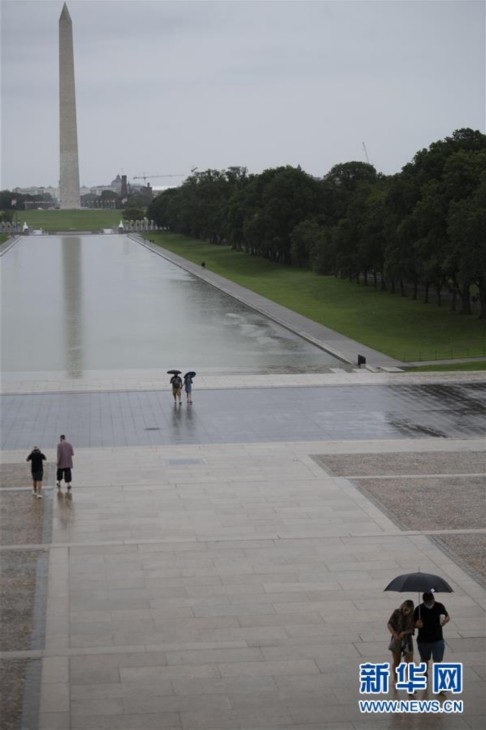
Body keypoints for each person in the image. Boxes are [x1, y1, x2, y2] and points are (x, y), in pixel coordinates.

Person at [413, 592, 450, 671]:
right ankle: (424, 675)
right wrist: (417, 624)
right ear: (424, 600)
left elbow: (447, 616)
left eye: (430, 600)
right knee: (424, 659)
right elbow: (412, 623)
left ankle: (437, 675)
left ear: (433, 599)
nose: (429, 603)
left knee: (438, 660)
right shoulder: (419, 609)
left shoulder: (439, 606)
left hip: (437, 638)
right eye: (427, 601)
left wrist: (445, 621)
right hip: (423, 639)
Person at [387, 599, 415, 672]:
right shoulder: (397, 612)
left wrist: (404, 633)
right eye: (405, 609)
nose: (405, 611)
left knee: (409, 662)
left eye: (408, 610)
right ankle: (395, 679)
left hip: (407, 640)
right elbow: (389, 624)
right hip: (397, 639)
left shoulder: (412, 615)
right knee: (396, 662)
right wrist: (395, 634)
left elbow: (412, 629)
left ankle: (408, 678)